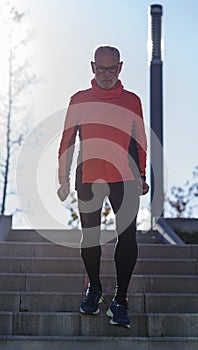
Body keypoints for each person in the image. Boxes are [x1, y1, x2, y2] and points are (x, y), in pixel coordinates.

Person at [57, 45, 149, 329]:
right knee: (91, 238)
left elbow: (139, 140)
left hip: (125, 177)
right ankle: (94, 289)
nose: (106, 74)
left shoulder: (132, 100)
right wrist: (62, 178)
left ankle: (120, 301)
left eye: (112, 69)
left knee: (128, 236)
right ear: (92, 67)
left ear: (120, 67)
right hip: (89, 175)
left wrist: (142, 174)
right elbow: (68, 141)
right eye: (101, 68)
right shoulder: (79, 100)